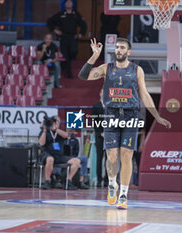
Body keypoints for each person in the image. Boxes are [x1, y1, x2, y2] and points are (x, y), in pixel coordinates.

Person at [78, 38, 171, 209]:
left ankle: (123, 194)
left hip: (130, 114)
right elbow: (83, 76)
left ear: (129, 52)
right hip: (112, 114)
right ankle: (112, 183)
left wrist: (157, 116)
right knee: (112, 156)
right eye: (117, 47)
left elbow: (144, 94)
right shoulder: (107, 68)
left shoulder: (137, 70)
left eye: (122, 48)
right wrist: (94, 56)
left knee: (126, 155)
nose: (118, 50)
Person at [38, 115, 80, 190]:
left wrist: (56, 129)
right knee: (50, 159)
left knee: (76, 161)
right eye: (54, 121)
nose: (55, 123)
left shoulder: (60, 131)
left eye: (57, 121)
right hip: (47, 155)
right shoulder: (45, 131)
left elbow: (66, 136)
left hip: (59, 156)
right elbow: (41, 143)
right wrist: (44, 130)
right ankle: (47, 181)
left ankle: (68, 181)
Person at [47, 0, 87, 79]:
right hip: (63, 37)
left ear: (72, 4)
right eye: (67, 2)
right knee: (65, 55)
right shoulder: (61, 14)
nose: (69, 4)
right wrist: (55, 30)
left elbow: (84, 25)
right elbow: (50, 21)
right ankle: (69, 74)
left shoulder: (76, 14)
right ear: (65, 4)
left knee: (73, 51)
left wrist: (80, 34)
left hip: (73, 37)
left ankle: (65, 66)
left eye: (70, 2)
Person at [92, 89, 108, 187]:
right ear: (100, 93)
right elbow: (94, 122)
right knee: (99, 158)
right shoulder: (96, 106)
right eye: (103, 92)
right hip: (99, 136)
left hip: (109, 137)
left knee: (109, 159)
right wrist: (101, 133)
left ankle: (107, 180)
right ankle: (98, 179)